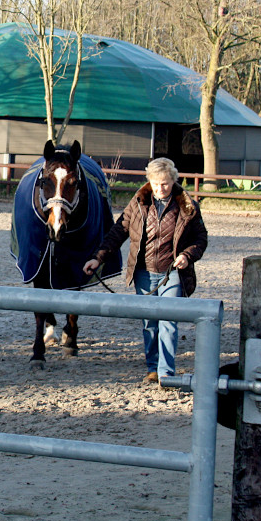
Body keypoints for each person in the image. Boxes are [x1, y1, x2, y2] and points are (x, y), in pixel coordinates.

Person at [83, 157, 208, 386]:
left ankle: (166, 373)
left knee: (169, 322)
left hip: (172, 273)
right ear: (149, 181)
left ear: (174, 181)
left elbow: (201, 238)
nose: (161, 189)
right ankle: (152, 367)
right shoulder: (138, 202)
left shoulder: (187, 207)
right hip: (143, 272)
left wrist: (187, 256)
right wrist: (97, 258)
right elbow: (118, 231)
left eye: (166, 183)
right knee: (150, 323)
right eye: (156, 183)